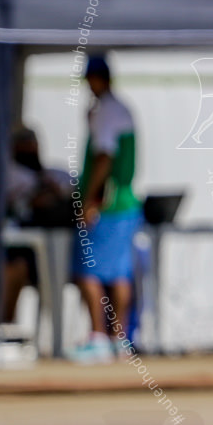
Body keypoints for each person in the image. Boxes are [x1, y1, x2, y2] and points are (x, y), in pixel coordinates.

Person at [70, 56, 143, 363]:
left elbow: (104, 157)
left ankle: (99, 336)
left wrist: (89, 201)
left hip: (106, 203)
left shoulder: (107, 112)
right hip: (125, 203)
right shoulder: (122, 109)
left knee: (89, 269)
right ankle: (119, 339)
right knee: (120, 273)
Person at [0, 126, 72, 323]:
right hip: (11, 246)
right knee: (14, 267)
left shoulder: (55, 174)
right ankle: (3, 327)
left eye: (31, 144)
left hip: (54, 250)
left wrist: (50, 191)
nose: (29, 149)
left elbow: (70, 197)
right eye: (23, 145)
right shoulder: (8, 176)